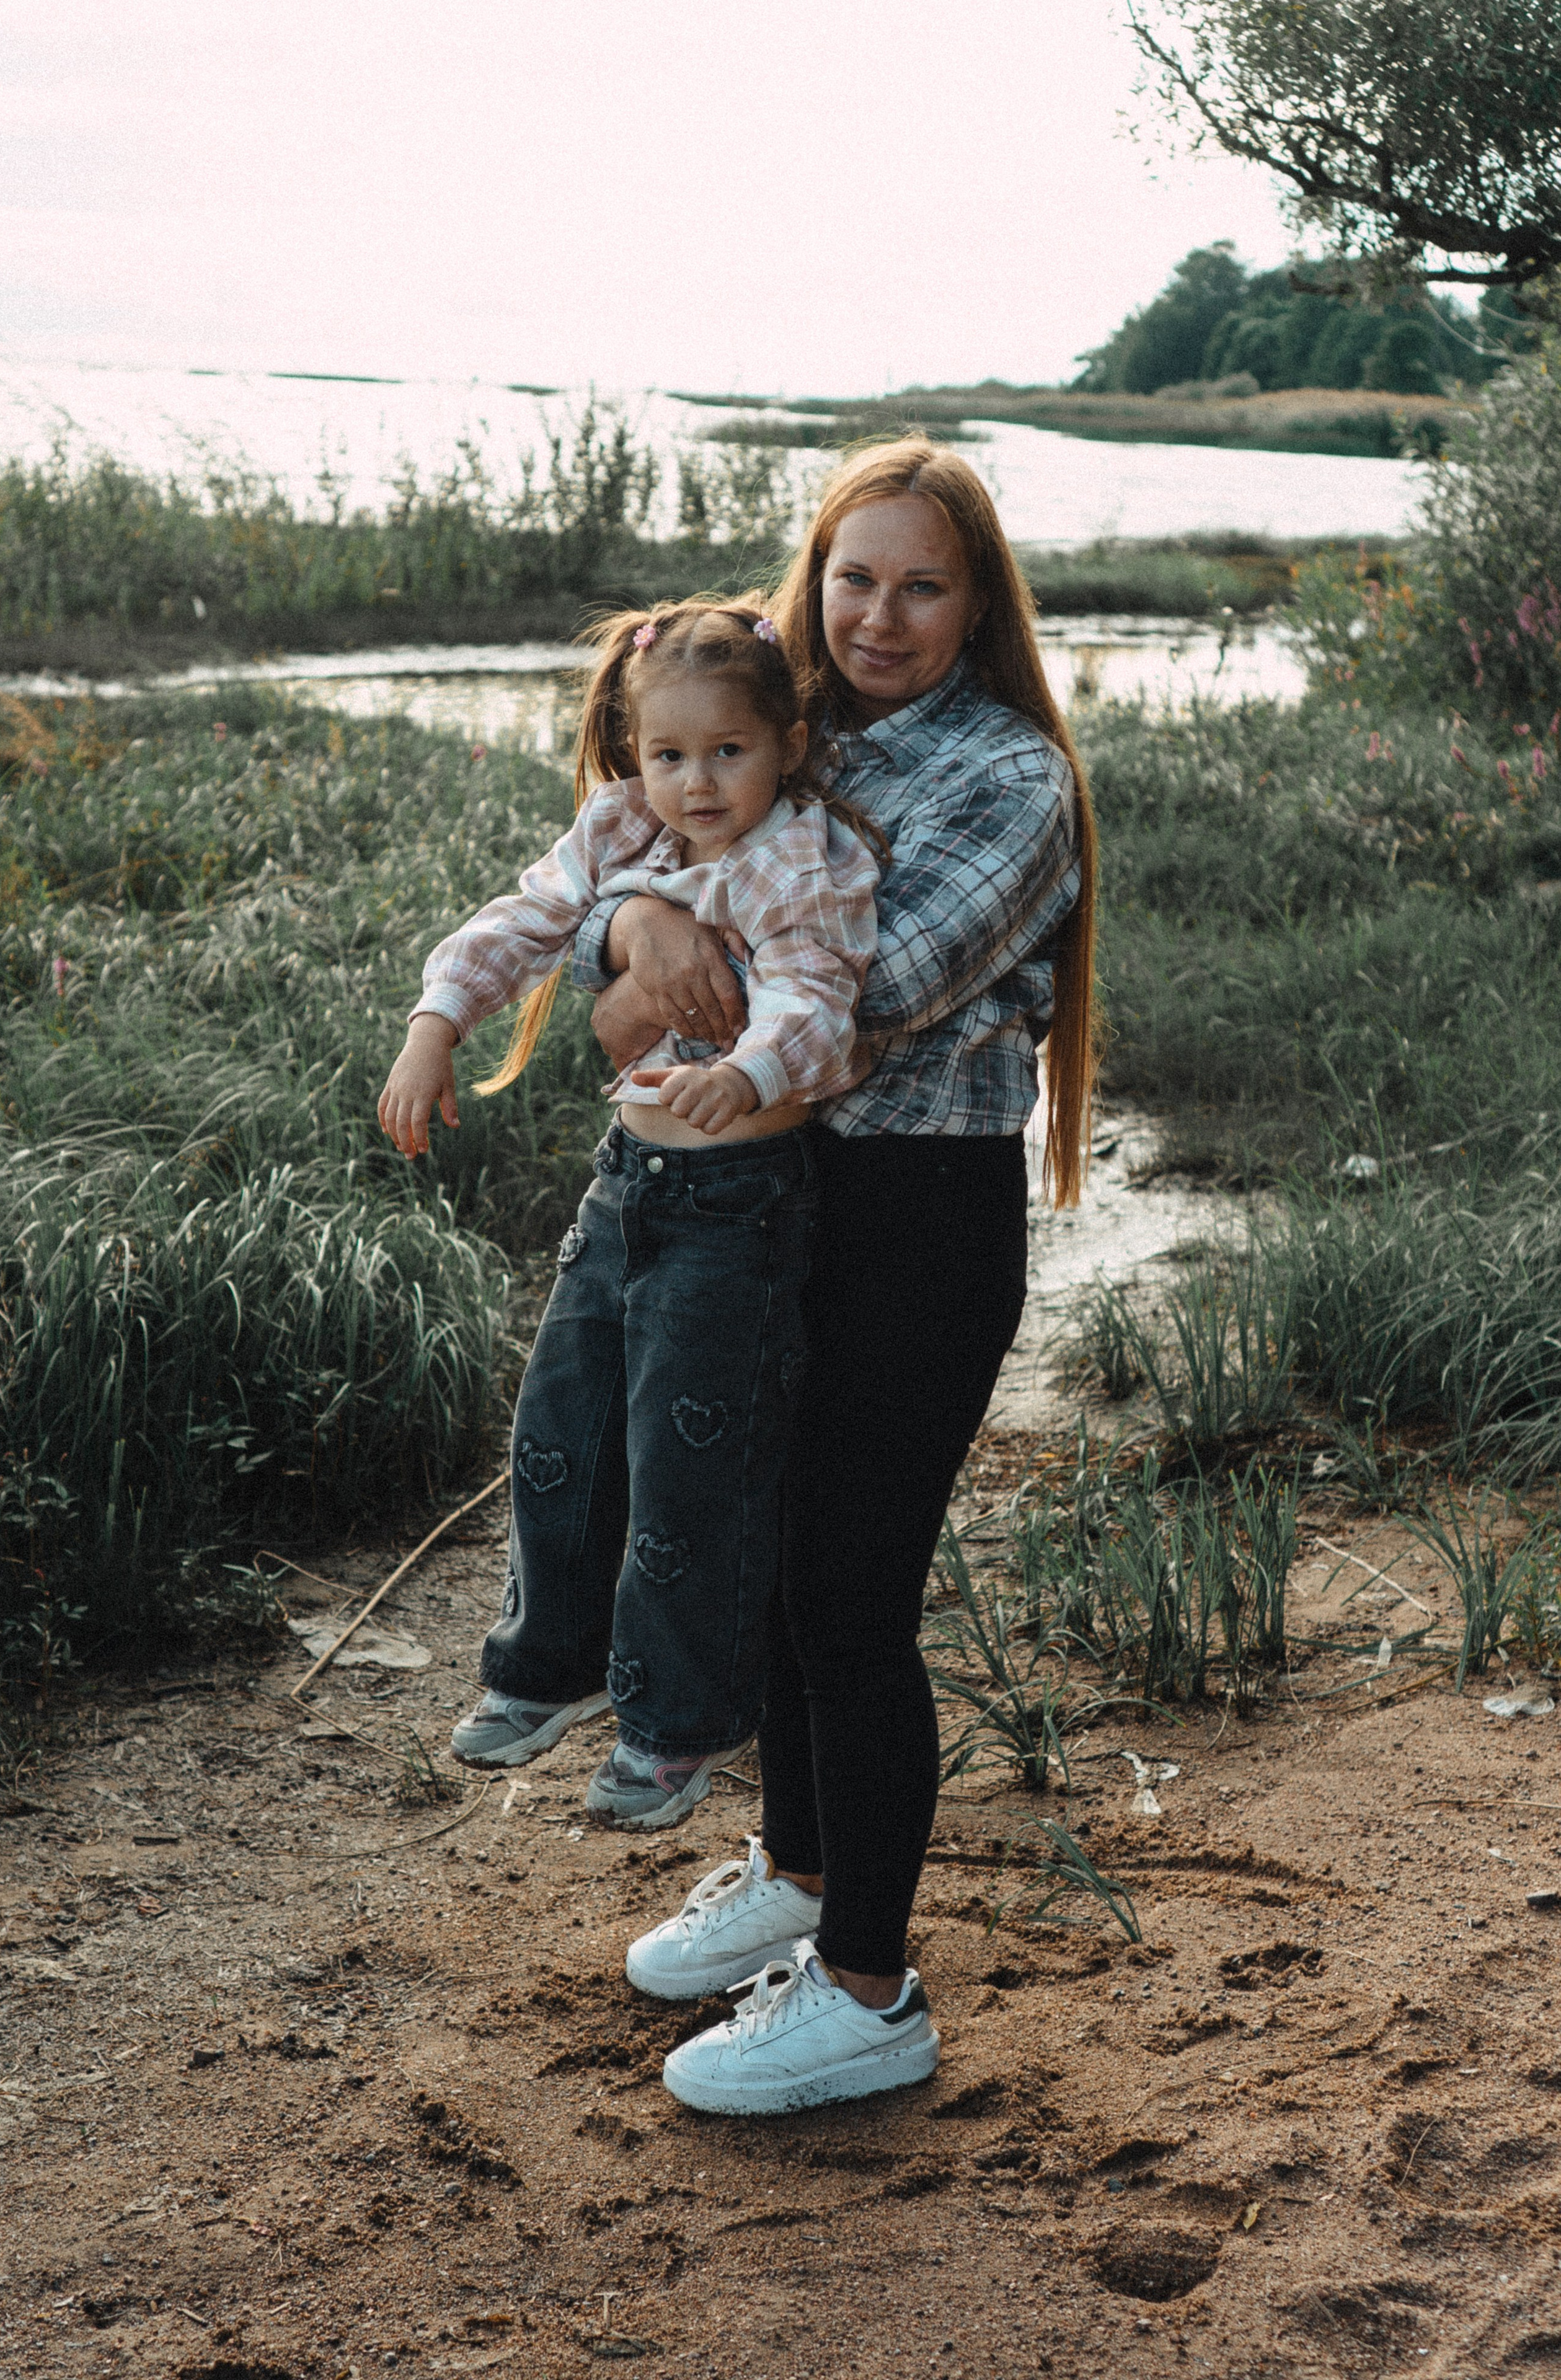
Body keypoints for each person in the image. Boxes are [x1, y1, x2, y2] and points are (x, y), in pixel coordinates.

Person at [581, 440, 1100, 2113]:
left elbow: (848, 998)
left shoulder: (1009, 781)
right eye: (853, 577)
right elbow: (611, 852)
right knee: (777, 1561)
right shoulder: (782, 727)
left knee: (854, 1594)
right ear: (812, 578)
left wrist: (661, 940)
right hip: (776, 1205)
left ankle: (870, 1991)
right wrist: (619, 932)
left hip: (921, 1224)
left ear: (977, 604)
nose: (879, 614)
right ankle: (798, 1880)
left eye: (923, 584)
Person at [378, 599, 881, 1830]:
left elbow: (816, 1002)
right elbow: (523, 922)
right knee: (558, 1432)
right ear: (632, 754)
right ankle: (544, 1670)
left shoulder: (798, 857)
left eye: (727, 753)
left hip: (738, 1202)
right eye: (668, 756)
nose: (696, 784)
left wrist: (745, 1071)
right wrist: (435, 1024)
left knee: (686, 1471)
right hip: (627, 1184)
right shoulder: (619, 830)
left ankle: (674, 1727)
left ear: (785, 745)